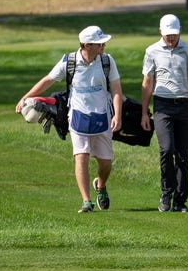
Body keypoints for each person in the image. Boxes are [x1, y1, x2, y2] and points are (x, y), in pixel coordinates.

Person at [15, 26, 123, 213]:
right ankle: (86, 201)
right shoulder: (69, 61)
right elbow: (48, 80)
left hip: (103, 116)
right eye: (99, 43)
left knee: (105, 163)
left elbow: (116, 89)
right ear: (87, 45)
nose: (103, 45)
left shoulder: (107, 61)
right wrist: (25, 97)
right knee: (81, 156)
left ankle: (100, 185)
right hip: (77, 115)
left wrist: (118, 115)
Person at [141, 14, 188, 213]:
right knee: (167, 149)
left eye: (174, 34)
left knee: (182, 155)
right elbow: (147, 82)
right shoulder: (152, 51)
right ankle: (166, 194)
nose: (171, 38)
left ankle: (180, 201)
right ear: (161, 31)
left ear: (180, 31)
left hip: (184, 105)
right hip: (162, 106)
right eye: (168, 34)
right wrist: (145, 112)